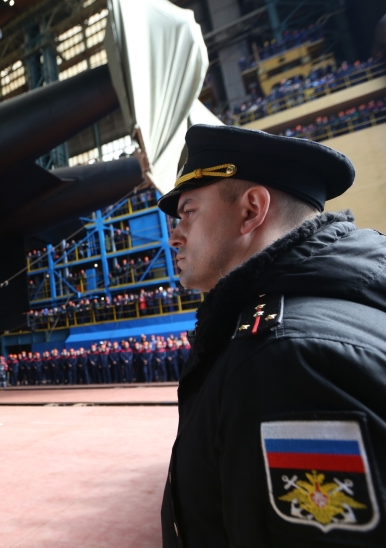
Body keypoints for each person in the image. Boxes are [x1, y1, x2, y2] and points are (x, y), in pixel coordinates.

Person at [157, 124, 386, 546]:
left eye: (188, 211)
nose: (174, 235)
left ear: (251, 210)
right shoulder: (333, 311)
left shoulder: (287, 359)